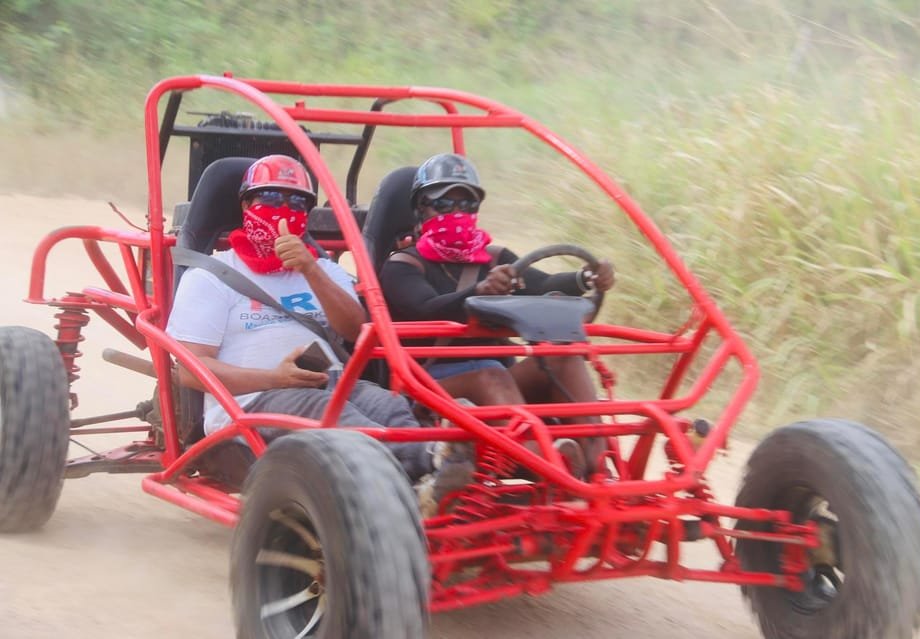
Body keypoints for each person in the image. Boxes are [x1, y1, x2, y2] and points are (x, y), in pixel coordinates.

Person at [167, 154, 467, 489]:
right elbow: (191, 371)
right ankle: (420, 471)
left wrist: (309, 269)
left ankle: (433, 466)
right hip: (252, 400)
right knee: (330, 412)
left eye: (297, 202)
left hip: (331, 383)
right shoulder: (210, 276)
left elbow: (355, 329)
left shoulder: (324, 270)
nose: (284, 209)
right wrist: (275, 379)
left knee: (390, 406)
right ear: (246, 204)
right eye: (270, 198)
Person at [379, 153, 616, 476]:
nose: (457, 213)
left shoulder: (493, 258)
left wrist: (586, 278)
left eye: (467, 204)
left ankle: (600, 470)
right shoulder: (403, 266)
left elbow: (543, 285)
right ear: (422, 208)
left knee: (563, 357)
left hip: (496, 380)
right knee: (492, 375)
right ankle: (552, 468)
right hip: (428, 388)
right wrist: (478, 292)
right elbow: (427, 308)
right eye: (445, 204)